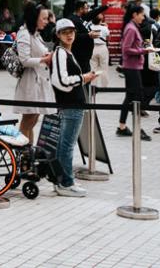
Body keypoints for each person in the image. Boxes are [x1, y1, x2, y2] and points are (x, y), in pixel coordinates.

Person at [50, 18, 97, 197]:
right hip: (71, 104)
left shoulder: (65, 53)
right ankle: (66, 183)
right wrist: (83, 78)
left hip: (71, 104)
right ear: (58, 35)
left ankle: (62, 181)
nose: (69, 35)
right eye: (65, 32)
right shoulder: (61, 53)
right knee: (67, 145)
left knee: (64, 144)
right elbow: (60, 81)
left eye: (72, 31)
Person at [12, 4, 55, 143]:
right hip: (31, 83)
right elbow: (24, 60)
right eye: (43, 18)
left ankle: (29, 155)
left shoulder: (35, 34)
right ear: (34, 18)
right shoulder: (24, 33)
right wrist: (45, 59)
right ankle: (23, 157)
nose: (46, 21)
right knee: (27, 122)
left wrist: (46, 55)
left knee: (32, 121)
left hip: (39, 82)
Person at [118, 3, 156, 141]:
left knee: (130, 96)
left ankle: (122, 126)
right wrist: (144, 50)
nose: (143, 17)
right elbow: (126, 49)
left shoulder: (132, 27)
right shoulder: (131, 28)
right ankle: (136, 128)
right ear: (135, 15)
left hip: (133, 67)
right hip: (131, 67)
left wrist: (142, 48)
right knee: (136, 96)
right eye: (141, 14)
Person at [89, 13, 110, 89]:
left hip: (93, 48)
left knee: (93, 67)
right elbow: (108, 39)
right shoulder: (104, 28)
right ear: (100, 20)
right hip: (102, 47)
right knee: (104, 67)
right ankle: (104, 86)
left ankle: (93, 85)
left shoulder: (90, 27)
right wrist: (106, 27)